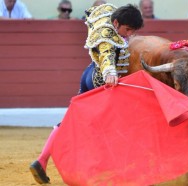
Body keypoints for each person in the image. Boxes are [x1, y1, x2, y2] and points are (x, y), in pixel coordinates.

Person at [29, 3, 143, 184]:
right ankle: (110, 171)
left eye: (132, 31)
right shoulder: (108, 36)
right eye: (127, 29)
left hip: (88, 74)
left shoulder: (108, 16)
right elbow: (106, 55)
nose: (129, 34)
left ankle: (42, 160)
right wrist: (110, 73)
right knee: (113, 126)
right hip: (101, 81)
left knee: (69, 121)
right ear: (115, 23)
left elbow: (98, 9)